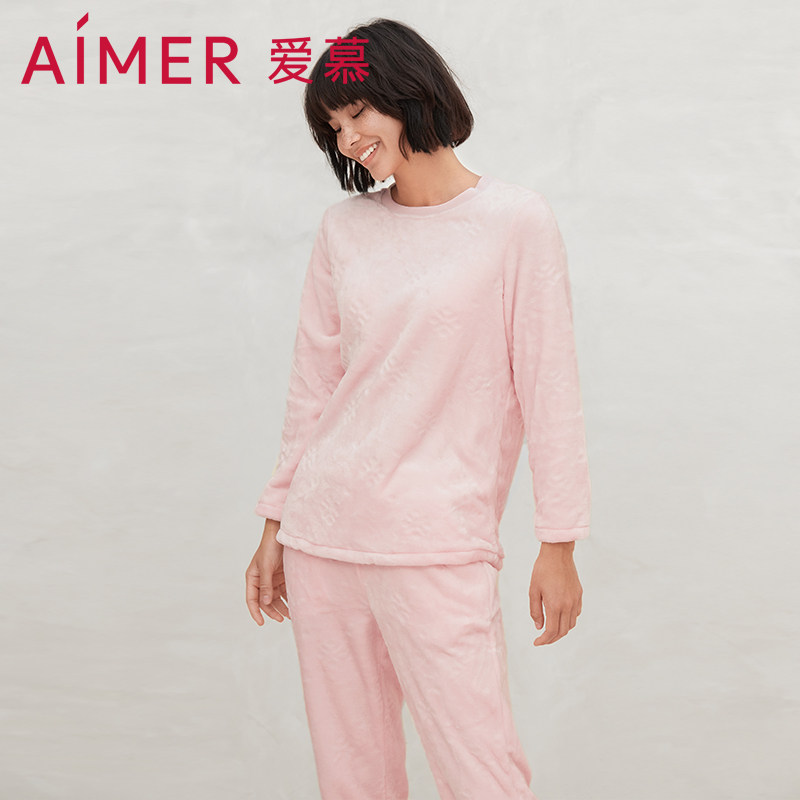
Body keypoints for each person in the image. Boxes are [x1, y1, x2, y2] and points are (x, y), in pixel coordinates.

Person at [245, 17, 591, 800]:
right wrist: (274, 524)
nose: (349, 138)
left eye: (357, 112)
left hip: (437, 542)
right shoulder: (344, 229)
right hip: (323, 536)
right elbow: (313, 390)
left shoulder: (515, 222)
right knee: (353, 778)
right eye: (334, 127)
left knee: (481, 772)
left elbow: (550, 387)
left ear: (410, 92)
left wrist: (559, 540)